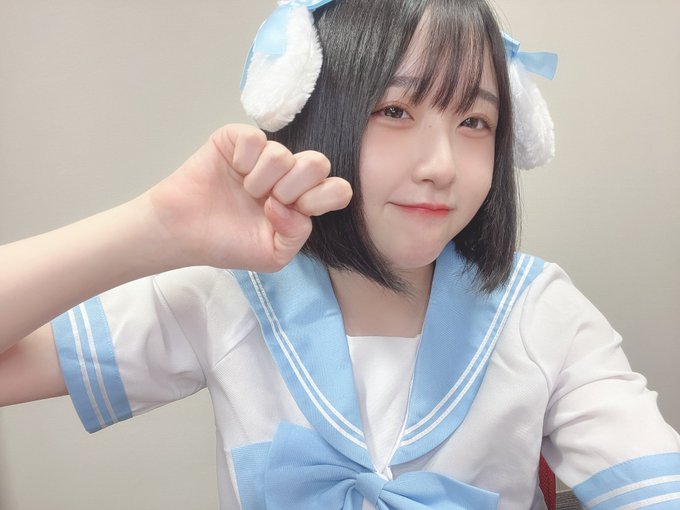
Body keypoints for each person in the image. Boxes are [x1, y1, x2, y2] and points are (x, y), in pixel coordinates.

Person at [1, 0, 679, 508]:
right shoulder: (230, 293)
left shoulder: (542, 314)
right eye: (395, 111)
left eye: (474, 121)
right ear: (317, 111)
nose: (442, 166)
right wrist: (156, 228)